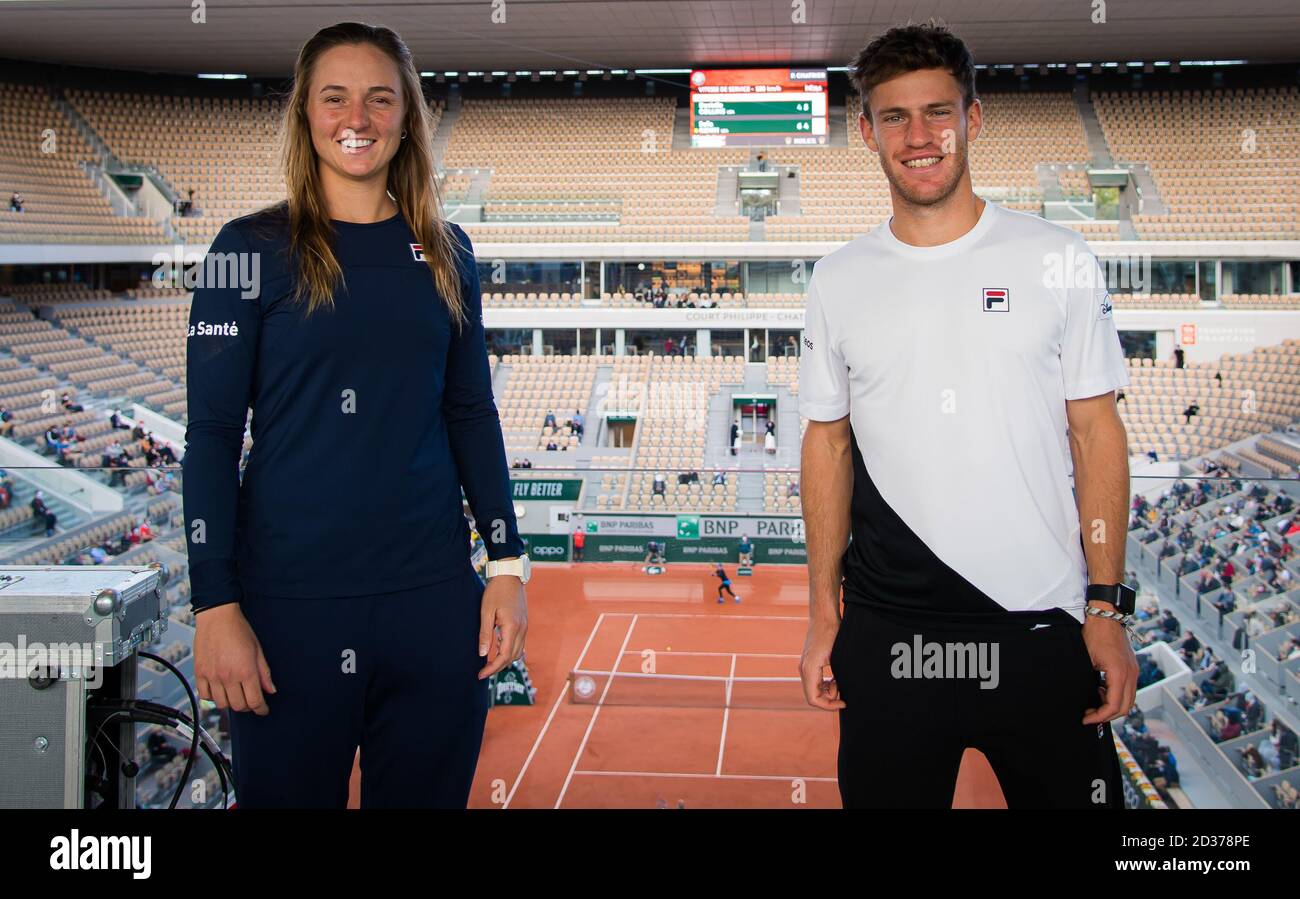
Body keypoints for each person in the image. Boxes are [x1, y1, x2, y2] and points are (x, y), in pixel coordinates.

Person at [183, 22, 528, 810]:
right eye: (334, 97)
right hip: (288, 613)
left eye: (381, 98)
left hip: (434, 606)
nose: (358, 117)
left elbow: (471, 412)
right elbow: (209, 439)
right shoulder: (245, 250)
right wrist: (214, 603)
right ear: (305, 113)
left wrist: (506, 567)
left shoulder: (449, 251)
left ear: (409, 115)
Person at [798, 23, 1133, 809]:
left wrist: (1108, 606)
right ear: (867, 131)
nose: (919, 137)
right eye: (895, 117)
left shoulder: (1059, 258)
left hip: (1041, 632)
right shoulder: (837, 278)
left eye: (938, 113)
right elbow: (828, 444)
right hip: (890, 638)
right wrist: (822, 616)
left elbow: (1097, 434)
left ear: (972, 120)